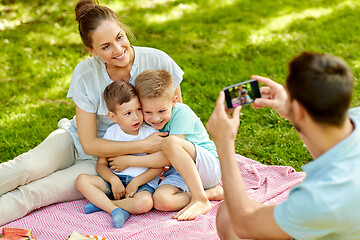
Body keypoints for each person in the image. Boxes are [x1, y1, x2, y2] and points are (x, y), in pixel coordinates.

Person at [0, 0, 183, 225]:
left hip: (103, 166)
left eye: (119, 37)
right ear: (91, 50)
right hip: (74, 141)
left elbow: (177, 122)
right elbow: (89, 144)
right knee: (25, 167)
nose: (118, 50)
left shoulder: (157, 61)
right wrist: (142, 146)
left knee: (35, 193)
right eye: (105, 46)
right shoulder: (85, 73)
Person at [206, 52, 360, 239]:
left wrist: (224, 145)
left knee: (228, 214)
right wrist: (291, 111)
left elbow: (244, 223)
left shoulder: (321, 198)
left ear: (300, 110)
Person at [110, 69, 223, 221]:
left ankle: (200, 200)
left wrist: (129, 161)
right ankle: (210, 194)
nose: (155, 118)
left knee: (169, 142)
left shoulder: (182, 113)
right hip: (180, 173)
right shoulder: (144, 122)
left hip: (207, 166)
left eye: (162, 110)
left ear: (174, 101)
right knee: (161, 201)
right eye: (148, 112)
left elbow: (167, 157)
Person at [75, 80, 163, 228]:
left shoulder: (151, 133)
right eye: (128, 113)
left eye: (139, 109)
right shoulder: (111, 133)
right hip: (115, 182)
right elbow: (101, 165)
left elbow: (158, 167)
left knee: (145, 203)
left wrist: (136, 182)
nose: (135, 117)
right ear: (113, 117)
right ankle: (115, 209)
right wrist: (113, 180)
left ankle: (104, 204)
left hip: (142, 185)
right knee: (81, 180)